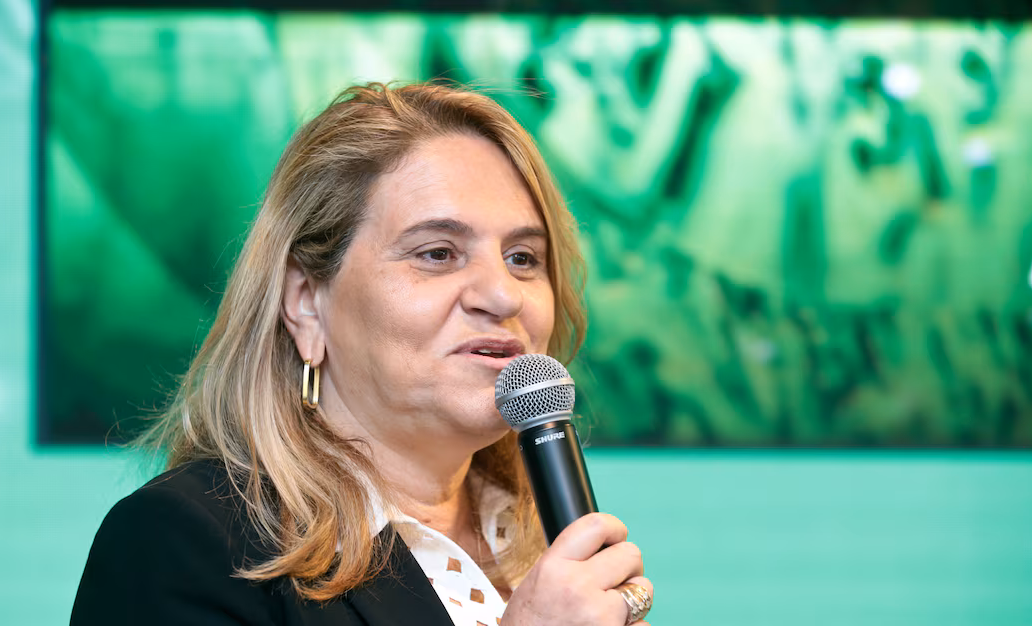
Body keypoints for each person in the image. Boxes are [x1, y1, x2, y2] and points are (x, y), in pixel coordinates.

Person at [70, 82, 654, 626]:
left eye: (523, 258)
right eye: (438, 253)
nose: (504, 295)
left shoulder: (546, 546)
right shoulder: (181, 542)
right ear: (306, 303)